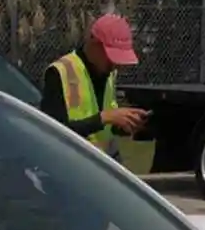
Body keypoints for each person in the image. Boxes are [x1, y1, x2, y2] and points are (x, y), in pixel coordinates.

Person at [41, 13, 148, 151]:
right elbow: (52, 131)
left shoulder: (108, 73)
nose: (116, 65)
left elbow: (106, 128)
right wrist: (104, 118)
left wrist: (124, 123)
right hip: (69, 160)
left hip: (102, 160)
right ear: (94, 44)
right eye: (111, 57)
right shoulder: (60, 72)